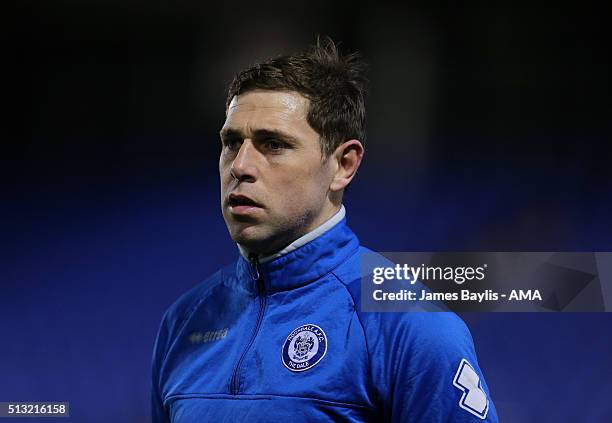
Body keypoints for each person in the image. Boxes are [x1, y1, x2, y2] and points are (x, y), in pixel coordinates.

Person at [151, 37, 498, 422]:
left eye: (273, 144)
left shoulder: (410, 325)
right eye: (232, 143)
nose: (241, 165)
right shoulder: (184, 322)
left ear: (343, 165)